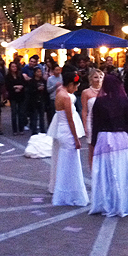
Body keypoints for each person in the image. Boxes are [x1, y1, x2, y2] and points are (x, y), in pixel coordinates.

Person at [88, 75, 128, 217]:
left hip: (104, 138)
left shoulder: (99, 102)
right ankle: (124, 201)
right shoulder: (124, 101)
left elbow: (95, 125)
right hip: (122, 138)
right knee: (123, 170)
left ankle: (107, 201)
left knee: (106, 171)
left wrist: (94, 143)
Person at [47, 67, 89, 207]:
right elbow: (70, 119)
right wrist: (76, 138)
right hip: (67, 132)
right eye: (76, 86)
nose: (76, 89)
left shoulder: (60, 92)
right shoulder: (65, 97)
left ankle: (65, 189)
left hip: (61, 130)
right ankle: (71, 191)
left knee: (66, 161)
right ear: (71, 84)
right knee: (72, 162)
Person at [81, 68, 104, 139]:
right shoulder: (86, 92)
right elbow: (84, 110)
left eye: (100, 77)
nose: (98, 80)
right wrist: (85, 126)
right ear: (91, 79)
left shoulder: (106, 92)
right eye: (96, 77)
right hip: (91, 121)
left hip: (104, 122)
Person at [5, 61, 26, 135]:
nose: (14, 68)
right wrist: (14, 87)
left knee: (21, 112)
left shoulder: (20, 75)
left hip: (21, 95)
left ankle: (21, 128)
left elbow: (24, 83)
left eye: (15, 66)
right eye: (12, 67)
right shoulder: (8, 76)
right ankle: (14, 129)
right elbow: (7, 86)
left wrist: (21, 87)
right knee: (14, 112)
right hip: (13, 95)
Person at [27, 66, 48, 134]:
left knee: (42, 116)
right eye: (38, 72)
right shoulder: (31, 81)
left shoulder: (43, 81)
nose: (40, 73)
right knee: (34, 116)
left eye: (40, 71)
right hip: (34, 100)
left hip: (42, 99)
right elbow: (29, 91)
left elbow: (46, 91)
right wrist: (37, 89)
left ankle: (42, 129)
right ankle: (34, 130)